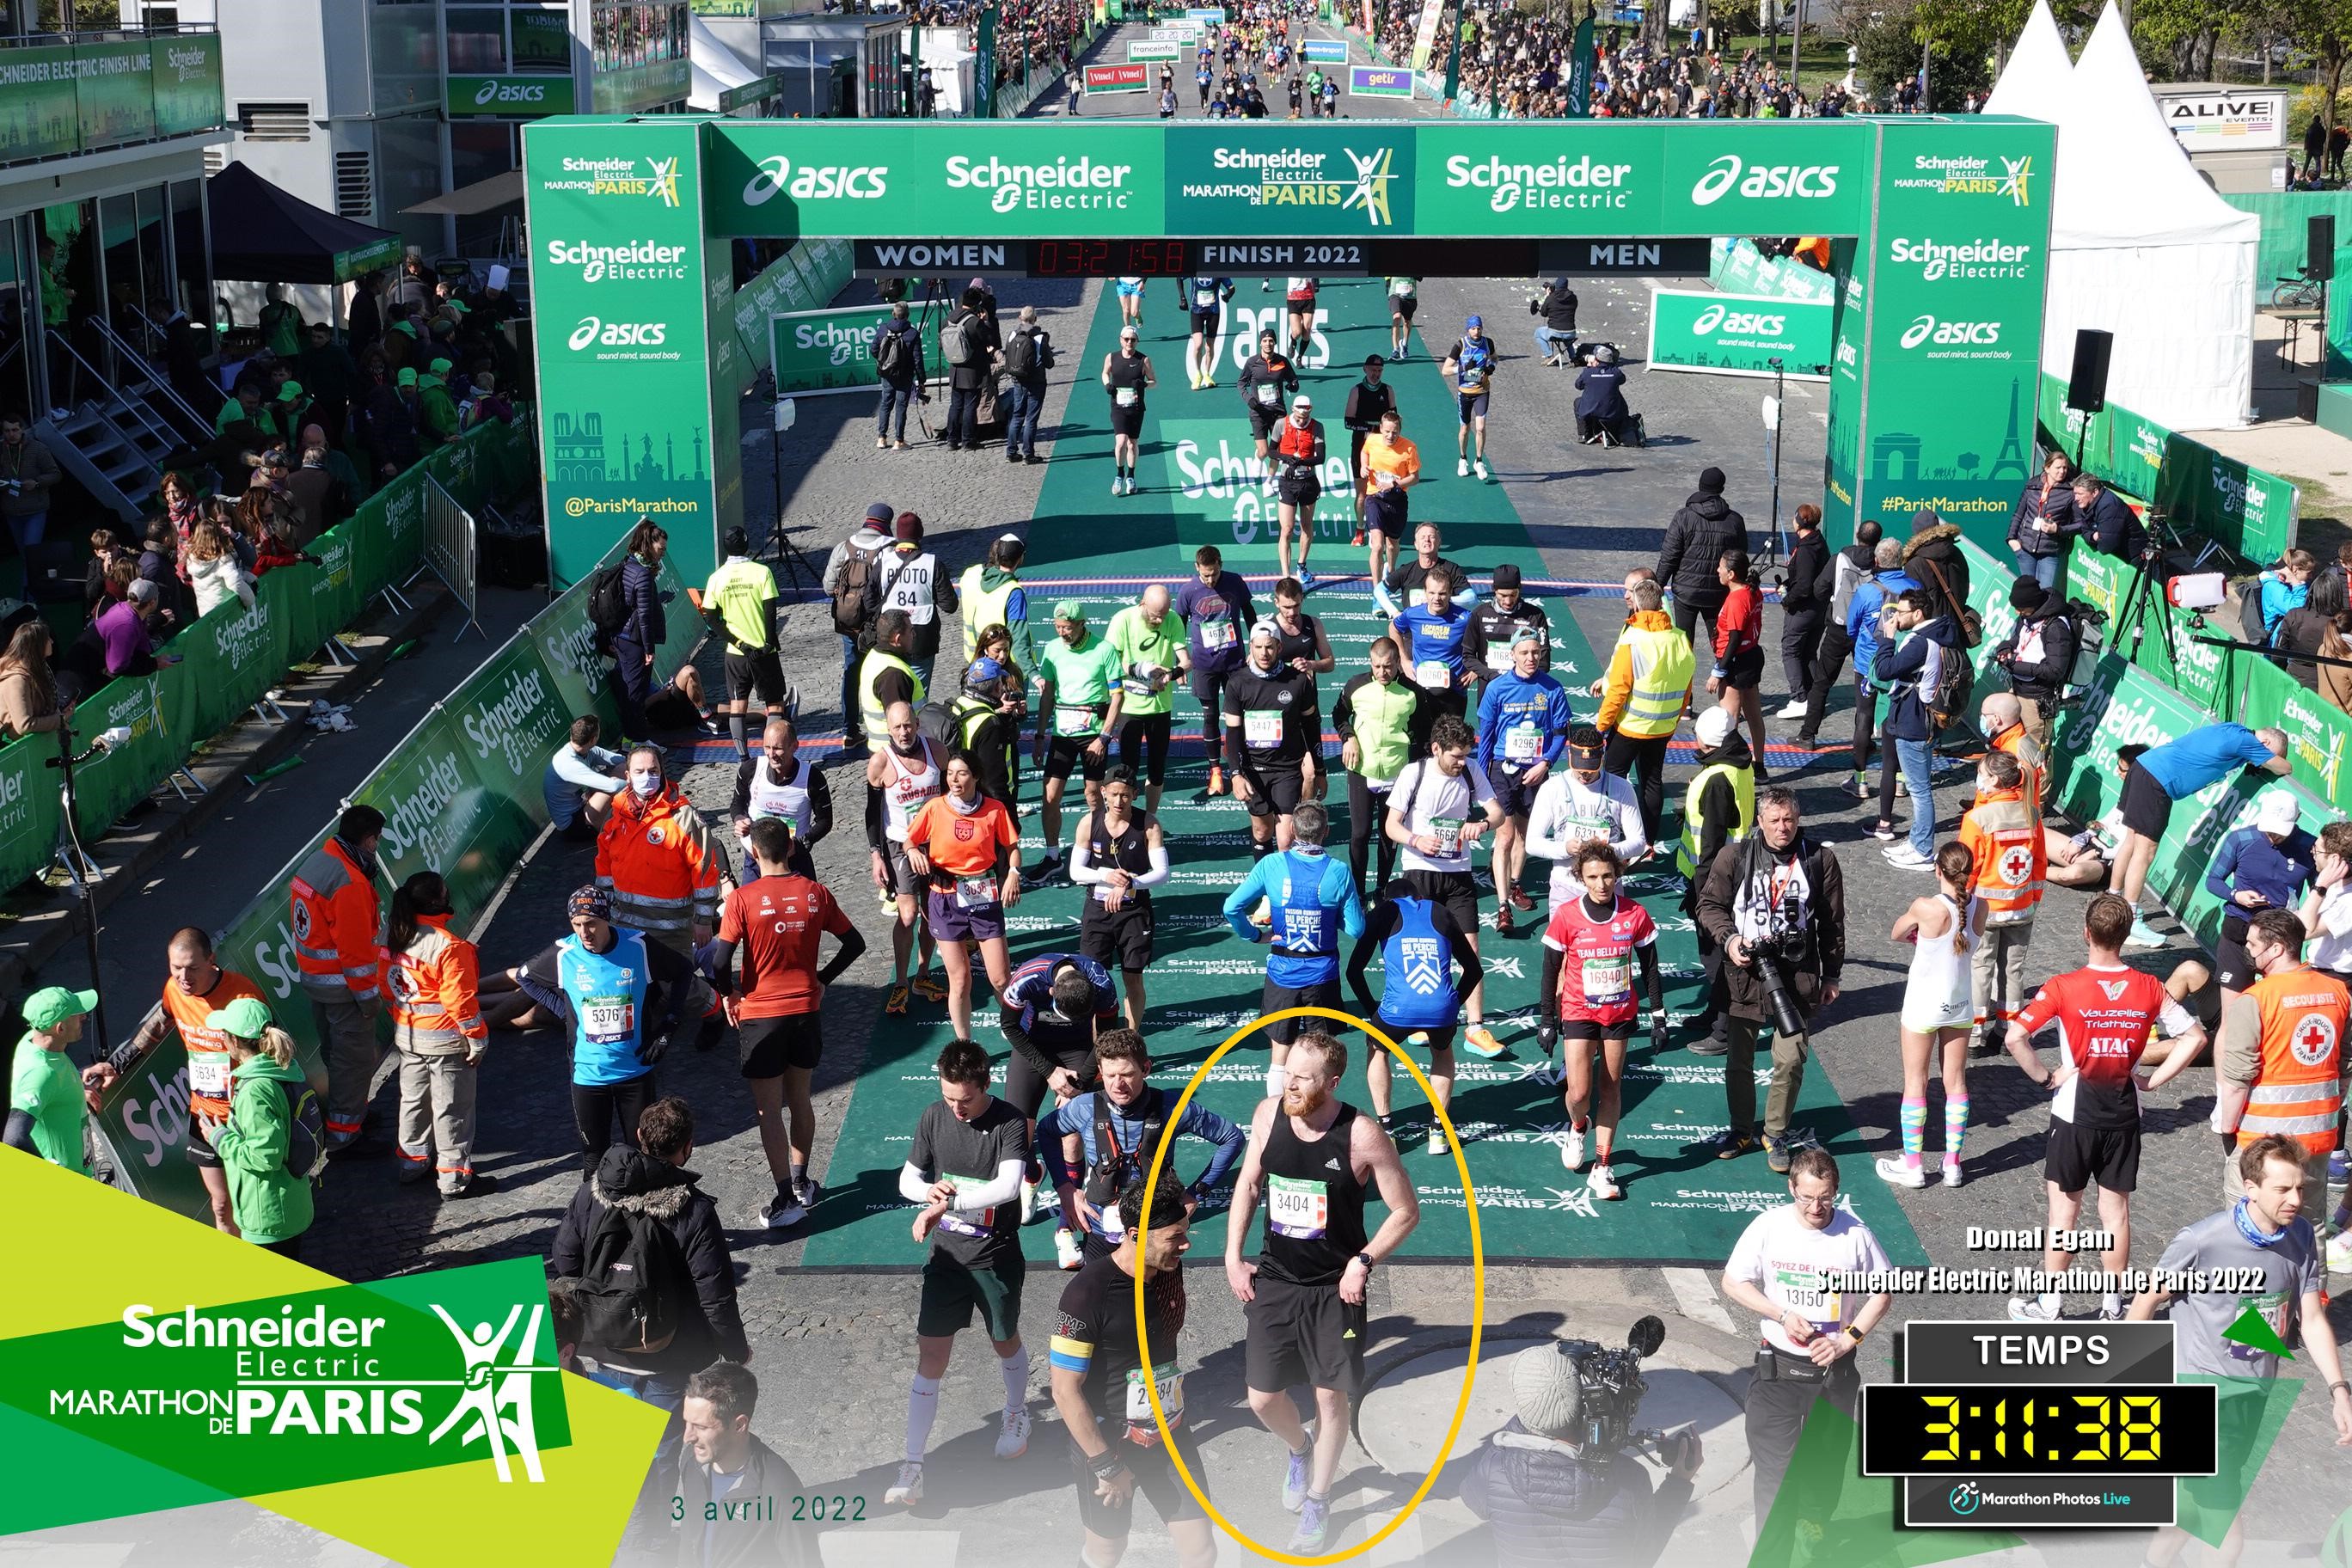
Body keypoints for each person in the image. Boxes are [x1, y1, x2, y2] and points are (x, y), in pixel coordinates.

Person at [1223, 1032, 1419, 1553]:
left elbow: (1406, 1211)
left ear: (1332, 1083)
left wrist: (1363, 1262)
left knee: (1331, 1399)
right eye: (1288, 1072)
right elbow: (1248, 1184)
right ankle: (1299, 1448)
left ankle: (1317, 1499)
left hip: (1336, 1290)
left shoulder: (1361, 1135)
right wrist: (1232, 1256)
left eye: (1303, 1078)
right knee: (1262, 1398)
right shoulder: (1268, 1114)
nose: (1291, 1084)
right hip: (1276, 1279)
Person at [2127, 1137, 2352, 1568]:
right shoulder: (2202, 1240)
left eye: (2300, 1189)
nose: (2296, 1199)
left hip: (2253, 1392)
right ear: (2251, 1188)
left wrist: (2339, 1390)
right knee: (2227, 1541)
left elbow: (2312, 1318)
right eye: (2282, 1189)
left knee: (2190, 1509)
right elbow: (2145, 1301)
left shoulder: (2301, 1235)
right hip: (2199, 1396)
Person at [2003, 892, 2208, 1321]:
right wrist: (2152, 1081)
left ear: (2086, 933)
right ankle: (2113, 1306)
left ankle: (2051, 1303)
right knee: (2115, 1213)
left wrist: (2046, 1076)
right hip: (2124, 1113)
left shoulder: (2062, 987)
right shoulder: (2150, 988)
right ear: (2126, 934)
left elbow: (2014, 1038)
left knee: (2064, 1212)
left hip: (2073, 1114)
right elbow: (2195, 1037)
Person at [552, 1096, 750, 1456]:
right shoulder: (695, 1209)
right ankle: (659, 1512)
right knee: (662, 1450)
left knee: (618, 1446)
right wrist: (735, 1349)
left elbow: (565, 1260)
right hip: (670, 1353)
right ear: (687, 1147)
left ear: (640, 1134)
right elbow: (714, 1292)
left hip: (606, 1340)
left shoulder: (592, 1192)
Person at [886, 1041, 1036, 1508]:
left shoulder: (1010, 1121)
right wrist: (931, 1189)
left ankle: (1017, 1412)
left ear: (985, 1085)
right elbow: (907, 1180)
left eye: (965, 1099)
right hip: (947, 1260)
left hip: (995, 1256)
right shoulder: (934, 1116)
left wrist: (949, 1204)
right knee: (930, 1356)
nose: (957, 1108)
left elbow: (1007, 1186)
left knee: (1003, 1339)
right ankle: (912, 1465)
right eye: (949, 1097)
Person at [1048, 1176, 1217, 1568]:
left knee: (1201, 1549)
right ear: (1136, 1234)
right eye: (1174, 1237)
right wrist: (1106, 1463)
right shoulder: (1086, 1294)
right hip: (1108, 1441)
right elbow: (1064, 1391)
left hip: (1168, 1431)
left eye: (1185, 1234)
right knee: (1107, 1552)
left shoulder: (1168, 1268)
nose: (1185, 1245)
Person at [1719, 1149, 1893, 1528]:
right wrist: (1779, 1314)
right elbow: (1733, 1282)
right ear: (1791, 1188)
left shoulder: (1856, 1235)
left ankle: (1815, 1535)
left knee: (1823, 1470)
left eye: (1826, 1197)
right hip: (1777, 1371)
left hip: (1834, 1374)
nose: (1816, 1207)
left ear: (1837, 1191)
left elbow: (1883, 1291)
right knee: (1773, 1477)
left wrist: (1847, 1340)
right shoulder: (1769, 1226)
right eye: (1807, 1197)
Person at [709, 818, 866, 1229]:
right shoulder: (815, 893)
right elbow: (855, 944)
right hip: (805, 1011)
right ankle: (801, 1183)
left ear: (753, 853)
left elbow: (721, 961)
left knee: (767, 1111)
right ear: (792, 849)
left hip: (761, 1017)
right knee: (800, 1099)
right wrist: (822, 980)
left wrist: (729, 994)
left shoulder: (743, 899)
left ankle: (784, 1198)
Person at [1696, 788, 1846, 1172]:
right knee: (1739, 1059)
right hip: (1745, 973)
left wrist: (1831, 974)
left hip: (1797, 974)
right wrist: (1730, 940)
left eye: (1789, 820)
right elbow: (1709, 905)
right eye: (1775, 820)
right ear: (1759, 821)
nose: (1783, 828)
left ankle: (1775, 1133)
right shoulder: (1736, 856)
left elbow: (1831, 923)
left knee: (1792, 1056)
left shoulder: (1819, 859)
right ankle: (1741, 1128)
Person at [1461, 1340, 1702, 1568]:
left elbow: (1473, 1499)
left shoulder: (1493, 1468)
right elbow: (1644, 1555)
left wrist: (1528, 1420)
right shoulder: (1630, 1478)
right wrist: (1678, 1483)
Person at [507, 886, 699, 1170]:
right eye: (577, 925)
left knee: (643, 1157)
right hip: (588, 1075)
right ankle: (598, 1214)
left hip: (635, 1071)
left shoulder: (639, 946)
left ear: (606, 919)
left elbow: (683, 971)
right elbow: (525, 977)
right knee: (594, 1160)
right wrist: (564, 1013)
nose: (585, 933)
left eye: (591, 923)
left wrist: (669, 1025)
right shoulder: (565, 953)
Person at [1041, 1031, 1244, 1263]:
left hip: (1158, 1227)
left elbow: (1233, 1138)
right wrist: (1065, 1188)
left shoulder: (1172, 1108)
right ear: (1100, 1071)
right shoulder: (1084, 1107)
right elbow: (1046, 1132)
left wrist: (1196, 1193)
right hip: (1099, 1227)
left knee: (1158, 1298)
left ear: (1146, 1069)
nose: (1118, 1085)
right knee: (1100, 1295)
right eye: (1110, 1075)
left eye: (1127, 1074)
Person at [1539, 843, 1665, 1197]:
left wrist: (1659, 1016)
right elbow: (1550, 970)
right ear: (1581, 877)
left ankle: (1603, 1167)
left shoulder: (1634, 914)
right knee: (1578, 1092)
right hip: (1579, 1011)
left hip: (1619, 1012)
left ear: (1617, 875)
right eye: (1593, 876)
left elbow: (1651, 967)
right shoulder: (1567, 916)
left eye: (1607, 875)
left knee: (1610, 1088)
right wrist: (1547, 1018)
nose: (1601, 884)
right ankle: (1578, 1126)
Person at [2211, 907, 2350, 1225]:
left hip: (2261, 1142)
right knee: (2310, 1229)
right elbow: (2344, 1066)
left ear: (2275, 949)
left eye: (2252, 944)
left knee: (2244, 1231)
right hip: (2317, 1138)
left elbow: (2236, 1081)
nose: (2246, 950)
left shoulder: (2256, 1000)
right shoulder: (2338, 992)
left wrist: (2227, 1130)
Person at [1223, 800, 1367, 1094]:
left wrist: (1254, 935)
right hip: (1322, 975)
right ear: (1326, 832)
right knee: (1320, 1059)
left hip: (1282, 973)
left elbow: (1231, 907)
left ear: (1291, 829)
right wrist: (1330, 917)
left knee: (1279, 1054)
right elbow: (1356, 929)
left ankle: (1276, 1121)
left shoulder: (1271, 864)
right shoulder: (1338, 871)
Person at [2113, 725, 2290, 949]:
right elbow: (2284, 767)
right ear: (2265, 745)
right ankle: (2130, 922)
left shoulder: (2233, 729)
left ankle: (2113, 901)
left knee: (2131, 840)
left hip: (2144, 767)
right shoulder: (2247, 742)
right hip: (2158, 781)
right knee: (2145, 851)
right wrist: (2269, 761)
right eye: (2264, 755)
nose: (2259, 761)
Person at [1873, 842, 1985, 1191]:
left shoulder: (1926, 908)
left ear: (1939, 870)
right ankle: (1953, 1165)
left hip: (1923, 1007)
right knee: (1956, 1082)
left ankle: (1913, 1165)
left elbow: (1896, 932)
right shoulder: (1981, 907)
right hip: (1961, 1006)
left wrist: (1918, 936)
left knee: (1915, 1083)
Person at [291, 805, 389, 1157]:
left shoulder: (320, 861)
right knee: (354, 1060)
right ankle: (345, 1135)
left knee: (336, 1055)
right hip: (344, 991)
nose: (377, 846)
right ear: (367, 839)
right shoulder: (350, 884)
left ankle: (350, 1116)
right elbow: (355, 955)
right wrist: (369, 1000)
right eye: (377, 840)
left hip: (317, 983)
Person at [384, 872, 490, 1200]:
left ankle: (412, 1161)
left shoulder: (396, 936)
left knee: (413, 1101)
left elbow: (384, 984)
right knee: (452, 1108)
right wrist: (478, 1038)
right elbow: (460, 1002)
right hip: (445, 1042)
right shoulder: (448, 946)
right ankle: (453, 1177)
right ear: (437, 902)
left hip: (408, 1038)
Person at [904, 751, 1022, 1045]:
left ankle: (1018, 1033)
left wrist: (1014, 873)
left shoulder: (994, 809)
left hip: (983, 897)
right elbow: (910, 839)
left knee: (1000, 978)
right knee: (960, 980)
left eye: (962, 774)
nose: (954, 780)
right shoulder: (934, 808)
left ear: (976, 777)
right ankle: (964, 1042)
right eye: (950, 774)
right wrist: (913, 851)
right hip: (945, 898)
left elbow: (1012, 847)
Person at [195, 1000, 315, 1258]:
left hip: (268, 1215)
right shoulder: (283, 1070)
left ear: (234, 1042)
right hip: (289, 1205)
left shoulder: (255, 1091)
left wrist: (220, 1139)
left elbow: (265, 1156)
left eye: (224, 1035)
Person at [1475, 627, 1572, 931]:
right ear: (1513, 655)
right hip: (1503, 770)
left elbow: (1560, 735)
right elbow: (1486, 737)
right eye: (1525, 653)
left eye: (1536, 652)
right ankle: (1503, 906)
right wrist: (1479, 779)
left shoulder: (1552, 688)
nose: (1531, 658)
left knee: (1525, 837)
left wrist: (1545, 764)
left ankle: (1515, 884)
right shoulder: (1497, 689)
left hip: (1535, 772)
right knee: (1503, 837)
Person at [672, 1362, 814, 1568]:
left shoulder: (778, 1488)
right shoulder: (692, 1460)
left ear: (739, 1425)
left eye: (701, 1427)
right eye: (687, 1423)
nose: (688, 1437)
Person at [597, 744, 725, 960]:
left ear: (662, 773)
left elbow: (703, 870)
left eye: (653, 771)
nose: (647, 776)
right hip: (625, 927)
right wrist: (602, 914)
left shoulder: (683, 818)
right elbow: (604, 868)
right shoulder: (615, 816)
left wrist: (703, 921)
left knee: (676, 990)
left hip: (672, 933)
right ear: (628, 776)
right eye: (640, 771)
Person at [1594, 576, 1693, 843]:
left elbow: (1617, 691)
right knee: (1652, 782)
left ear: (1636, 606)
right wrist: (1671, 721)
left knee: (1612, 781)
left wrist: (1601, 726)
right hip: (1662, 728)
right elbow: (1686, 689)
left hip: (1629, 726)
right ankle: (1648, 841)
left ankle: (1611, 836)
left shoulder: (1634, 639)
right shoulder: (1680, 639)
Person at [1071, 767, 1168, 1033]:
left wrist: (1128, 883)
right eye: (1113, 794)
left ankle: (1132, 1037)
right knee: (1091, 979)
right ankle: (1096, 1045)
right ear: (1103, 792)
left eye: (1125, 795)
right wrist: (1106, 875)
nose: (1118, 802)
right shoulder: (1088, 822)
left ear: (1135, 794)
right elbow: (1075, 872)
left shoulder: (1149, 824)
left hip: (1134, 911)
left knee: (1133, 979)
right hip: (1097, 910)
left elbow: (1162, 873)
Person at [1869, 589, 1961, 869]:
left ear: (1918, 614)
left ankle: (1922, 850)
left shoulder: (1921, 643)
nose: (1895, 617)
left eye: (1901, 612)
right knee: (1917, 787)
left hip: (1915, 724)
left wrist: (1887, 639)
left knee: (1920, 790)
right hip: (1912, 719)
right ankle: (1916, 841)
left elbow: (1885, 670)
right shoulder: (1929, 637)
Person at [1036, 602, 1128, 873]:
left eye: (1067, 627)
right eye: (1058, 627)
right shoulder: (1052, 649)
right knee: (1050, 795)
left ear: (1081, 624)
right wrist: (1040, 735)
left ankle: (1099, 850)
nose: (1062, 632)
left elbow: (1117, 696)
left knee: (1092, 794)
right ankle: (1053, 856)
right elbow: (1048, 695)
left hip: (1093, 734)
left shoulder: (1103, 649)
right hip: (1063, 733)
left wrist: (1105, 736)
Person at [867, 701, 946, 1016]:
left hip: (935, 842)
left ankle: (923, 976)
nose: (904, 732)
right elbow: (872, 814)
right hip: (900, 844)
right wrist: (876, 855)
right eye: (897, 727)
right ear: (888, 728)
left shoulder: (937, 751)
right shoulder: (880, 763)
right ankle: (901, 980)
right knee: (909, 914)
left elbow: (948, 795)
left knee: (932, 912)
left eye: (908, 725)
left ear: (917, 723)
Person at [2206, 792, 2317, 1010]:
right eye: (2269, 828)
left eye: (2280, 830)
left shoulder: (2310, 847)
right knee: (2234, 1013)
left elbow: (2320, 892)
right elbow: (2213, 880)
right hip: (2239, 930)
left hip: (2281, 937)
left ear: (2298, 818)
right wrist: (2235, 895)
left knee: (2278, 1008)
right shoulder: (2240, 839)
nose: (2273, 835)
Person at [1332, 636, 1418, 897]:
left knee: (1387, 834)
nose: (1382, 672)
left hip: (1396, 771)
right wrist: (1348, 737)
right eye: (1377, 666)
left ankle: (1381, 888)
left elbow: (1422, 730)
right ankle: (1358, 892)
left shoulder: (1412, 691)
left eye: (1388, 667)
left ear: (1397, 664)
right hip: (1361, 769)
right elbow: (1338, 714)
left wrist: (1412, 765)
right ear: (1370, 662)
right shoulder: (1355, 685)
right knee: (1359, 833)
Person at [1224, 623, 1320, 856]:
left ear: (1279, 647)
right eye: (1258, 647)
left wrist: (1321, 769)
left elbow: (1311, 725)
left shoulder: (1297, 681)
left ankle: (1282, 889)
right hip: (1253, 768)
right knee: (1261, 831)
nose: (1264, 653)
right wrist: (1236, 774)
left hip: (1287, 768)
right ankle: (1265, 886)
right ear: (1251, 647)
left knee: (1286, 839)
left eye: (1269, 647)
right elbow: (1233, 733)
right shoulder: (1237, 683)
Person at [4, 987, 113, 1177]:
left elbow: (53, 1082)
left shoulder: (32, 1040)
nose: (84, 1017)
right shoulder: (41, 1074)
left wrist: (79, 1079)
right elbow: (13, 1137)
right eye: (76, 1014)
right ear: (60, 1028)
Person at [701, 526, 786, 764]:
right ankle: (773, 755)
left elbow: (711, 618)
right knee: (775, 705)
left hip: (736, 654)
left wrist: (737, 642)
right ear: (747, 545)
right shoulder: (762, 572)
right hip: (764, 651)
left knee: (738, 706)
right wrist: (769, 643)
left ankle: (743, 759)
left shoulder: (716, 578)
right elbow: (771, 611)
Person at [1177, 545, 1256, 798]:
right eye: (1205, 575)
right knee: (1210, 718)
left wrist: (1254, 646)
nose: (1210, 580)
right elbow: (1178, 625)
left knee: (1239, 717)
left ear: (1220, 564)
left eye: (1214, 573)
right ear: (1196, 568)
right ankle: (1215, 772)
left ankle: (1241, 766)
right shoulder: (1188, 590)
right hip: (1204, 665)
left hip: (1235, 663)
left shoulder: (1234, 581)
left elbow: (1249, 612)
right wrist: (1180, 663)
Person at [1793, 519, 1880, 748]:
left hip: (1839, 628)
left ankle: (1808, 735)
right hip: (1869, 632)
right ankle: (1864, 739)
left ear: (1857, 535)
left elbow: (1819, 589)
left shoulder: (1839, 559)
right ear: (1878, 541)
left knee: (1822, 682)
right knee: (1867, 682)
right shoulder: (1881, 563)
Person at [1842, 537, 1916, 799]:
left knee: (1864, 718)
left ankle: (1860, 780)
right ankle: (1899, 780)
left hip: (1868, 663)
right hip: (1903, 664)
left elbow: (1851, 627)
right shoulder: (1915, 588)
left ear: (1876, 561)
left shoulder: (1867, 590)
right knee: (1896, 722)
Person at [1105, 585, 1186, 815]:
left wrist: (1173, 674)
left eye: (1163, 616)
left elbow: (1186, 661)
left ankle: (1150, 818)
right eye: (1154, 616)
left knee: (1157, 767)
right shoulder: (1123, 620)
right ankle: (1127, 817)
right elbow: (1109, 662)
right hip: (1130, 706)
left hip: (1160, 706)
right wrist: (1140, 669)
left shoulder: (1173, 620)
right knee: (1128, 768)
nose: (1159, 621)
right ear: (1142, 604)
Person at [726, 717, 829, 885]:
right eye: (767, 747)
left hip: (794, 860)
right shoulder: (750, 770)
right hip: (756, 860)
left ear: (794, 746)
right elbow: (737, 804)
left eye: (778, 748)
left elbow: (825, 821)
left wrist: (803, 842)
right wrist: (739, 819)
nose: (771, 755)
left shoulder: (812, 778)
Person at [1655, 467, 1747, 647]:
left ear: (1700, 486)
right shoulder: (1735, 520)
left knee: (1683, 645)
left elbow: (1669, 555)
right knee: (1720, 643)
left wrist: (1657, 587)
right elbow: (1740, 556)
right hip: (1718, 592)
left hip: (1686, 592)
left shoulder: (1683, 517)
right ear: (1721, 488)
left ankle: (1684, 676)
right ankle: (1722, 674)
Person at [1392, 563, 1476, 751]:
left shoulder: (1465, 618)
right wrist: (1404, 660)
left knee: (1451, 748)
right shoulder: (1413, 614)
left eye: (1442, 593)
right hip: (1422, 694)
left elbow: (1482, 643)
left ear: (1450, 592)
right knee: (1421, 747)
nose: (1436, 598)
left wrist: (1474, 671)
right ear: (1425, 592)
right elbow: (1394, 628)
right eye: (1432, 593)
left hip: (1453, 693)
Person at [827, 502, 895, 726]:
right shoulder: (889, 548)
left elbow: (828, 587)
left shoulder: (844, 547)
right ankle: (882, 723)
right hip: (876, 624)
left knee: (851, 672)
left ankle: (849, 728)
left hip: (849, 623)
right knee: (882, 670)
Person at [1705, 548, 1771, 777]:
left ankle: (1731, 770)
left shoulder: (1736, 599)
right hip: (1752, 656)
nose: (1718, 570)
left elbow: (1733, 639)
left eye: (1721, 567)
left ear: (1731, 574)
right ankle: (1759, 766)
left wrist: (1718, 670)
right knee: (1754, 714)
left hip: (1735, 661)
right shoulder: (1753, 591)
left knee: (1728, 720)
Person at [1989, 579, 2076, 752]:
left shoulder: (2056, 628)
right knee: (2011, 745)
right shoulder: (2027, 616)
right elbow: (2017, 640)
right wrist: (2005, 647)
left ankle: (2041, 781)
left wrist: (2016, 666)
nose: (2017, 612)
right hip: (2018, 690)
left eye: (2021, 608)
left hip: (2037, 700)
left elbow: (2055, 671)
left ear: (2034, 604)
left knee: (2035, 754)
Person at [609, 519, 671, 743]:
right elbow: (644, 616)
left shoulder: (629, 563)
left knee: (631, 692)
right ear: (649, 545)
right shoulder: (643, 574)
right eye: (661, 549)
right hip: (634, 640)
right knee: (635, 693)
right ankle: (638, 740)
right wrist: (649, 649)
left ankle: (632, 739)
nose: (663, 553)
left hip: (622, 637)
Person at [1773, 505, 1829, 720]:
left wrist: (1788, 599)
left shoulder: (1806, 549)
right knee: (1808, 653)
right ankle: (1816, 699)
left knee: (1790, 650)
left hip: (1803, 610)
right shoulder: (1817, 542)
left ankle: (1799, 699)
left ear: (1800, 521)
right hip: (1819, 608)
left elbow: (1805, 584)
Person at [1357, 407, 1419, 587]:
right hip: (1374, 497)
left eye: (1395, 432)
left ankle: (1391, 573)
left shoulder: (1409, 448)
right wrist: (1363, 466)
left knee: (1392, 545)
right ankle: (1377, 590)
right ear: (1381, 429)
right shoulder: (1372, 440)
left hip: (1397, 499)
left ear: (1399, 431)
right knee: (1377, 546)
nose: (1390, 436)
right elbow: (1364, 451)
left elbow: (1415, 478)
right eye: (1387, 432)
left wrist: (1395, 484)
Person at [1271, 395, 1327, 586]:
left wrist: (1302, 461)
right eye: (1300, 415)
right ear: (1294, 411)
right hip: (1287, 483)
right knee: (1286, 529)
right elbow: (1271, 451)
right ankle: (1286, 576)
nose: (1303, 419)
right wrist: (1287, 459)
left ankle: (1301, 565)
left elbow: (1320, 457)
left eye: (1307, 415)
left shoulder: (1317, 427)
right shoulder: (1281, 424)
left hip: (1308, 482)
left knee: (1306, 527)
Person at [1341, 356, 1395, 548]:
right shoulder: (1356, 391)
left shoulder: (1387, 390)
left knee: (1382, 492)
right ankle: (1360, 528)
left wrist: (1385, 432)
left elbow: (1394, 418)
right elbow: (1348, 421)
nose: (1375, 374)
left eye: (1379, 371)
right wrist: (1372, 428)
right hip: (1361, 448)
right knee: (1363, 494)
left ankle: (1379, 530)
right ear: (1365, 369)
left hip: (1383, 450)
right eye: (1372, 370)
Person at [857, 609, 926, 756]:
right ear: (898, 639)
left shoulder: (875, 655)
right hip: (896, 756)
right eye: (911, 631)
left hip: (883, 750)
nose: (914, 635)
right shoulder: (894, 675)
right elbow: (901, 724)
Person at [1439, 315, 1498, 481]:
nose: (1476, 331)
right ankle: (1463, 458)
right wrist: (1463, 368)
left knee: (1480, 427)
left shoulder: (1488, 343)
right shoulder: (1460, 345)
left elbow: (1495, 358)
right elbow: (1445, 370)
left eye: (1479, 328)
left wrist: (1492, 367)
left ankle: (1479, 461)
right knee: (1465, 428)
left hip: (1482, 391)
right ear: (1468, 329)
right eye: (1473, 328)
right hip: (1464, 393)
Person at [2006, 450, 2076, 591]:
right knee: (2029, 594)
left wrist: (2058, 530)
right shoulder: (2032, 485)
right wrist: (2011, 540)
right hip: (2026, 549)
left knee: (2046, 592)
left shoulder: (2070, 492)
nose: (2062, 471)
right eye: (2058, 468)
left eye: (2065, 468)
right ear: (2047, 468)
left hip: (2050, 551)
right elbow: (2018, 515)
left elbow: (2079, 524)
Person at [1239, 328, 1300, 487]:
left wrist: (1293, 386)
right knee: (1264, 451)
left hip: (1278, 412)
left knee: (1277, 450)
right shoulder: (1252, 362)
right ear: (1260, 343)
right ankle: (1258, 457)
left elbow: (1293, 380)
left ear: (1275, 343)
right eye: (1265, 341)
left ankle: (1269, 481)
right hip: (1258, 412)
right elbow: (1241, 384)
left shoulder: (1282, 361)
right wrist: (1249, 399)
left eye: (1271, 341)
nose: (1268, 344)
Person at [1100, 324, 1155, 496]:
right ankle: (1119, 474)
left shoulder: (1143, 360)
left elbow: (1154, 381)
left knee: (1132, 444)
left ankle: (1131, 477)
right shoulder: (1112, 357)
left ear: (1137, 341)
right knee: (1121, 442)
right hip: (1118, 406)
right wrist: (1107, 385)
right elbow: (1104, 373)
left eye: (1133, 339)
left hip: (1136, 408)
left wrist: (1144, 384)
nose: (1129, 342)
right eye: (1126, 339)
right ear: (1121, 340)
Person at [943, 285, 999, 452]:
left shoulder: (948, 318)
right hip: (973, 371)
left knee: (955, 405)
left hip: (955, 369)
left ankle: (951, 440)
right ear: (975, 305)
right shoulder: (975, 322)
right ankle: (968, 440)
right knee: (969, 406)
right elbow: (991, 340)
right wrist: (986, 321)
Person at [0, 413, 61, 555]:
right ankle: (37, 575)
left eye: (14, 430)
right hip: (11, 511)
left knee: (30, 553)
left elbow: (55, 474)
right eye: (7, 431)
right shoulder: (1, 451)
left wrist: (37, 483)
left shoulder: (38, 449)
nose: (11, 434)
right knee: (25, 554)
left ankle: (32, 577)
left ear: (22, 429)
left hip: (35, 510)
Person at [1001, 305, 1052, 465]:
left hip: (1018, 382)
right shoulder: (1039, 337)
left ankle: (1011, 451)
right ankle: (1028, 454)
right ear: (1035, 319)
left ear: (1019, 318)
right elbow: (1049, 363)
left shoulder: (1012, 335)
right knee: (1031, 419)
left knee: (1016, 416)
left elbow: (1008, 357)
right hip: (1036, 383)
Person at [2072, 472, 2146, 563]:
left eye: (2080, 494)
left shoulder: (2109, 506)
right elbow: (2081, 526)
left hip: (2133, 560)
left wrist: (2090, 535)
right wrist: (2093, 536)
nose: (2076, 498)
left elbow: (2106, 546)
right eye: (2075, 494)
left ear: (2095, 492)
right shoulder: (2084, 504)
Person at [1182, 273, 1234, 390]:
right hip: (1196, 311)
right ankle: (1198, 374)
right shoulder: (1194, 270)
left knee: (1210, 346)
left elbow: (1231, 288)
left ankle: (1207, 374)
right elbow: (1179, 278)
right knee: (1198, 344)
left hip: (1213, 312)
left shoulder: (1217, 271)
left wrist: (1228, 296)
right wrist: (1182, 298)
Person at [1573, 345, 1632, 444]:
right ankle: (1612, 434)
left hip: (1590, 410)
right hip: (1611, 412)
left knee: (1578, 402)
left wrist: (1590, 368)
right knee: (1619, 402)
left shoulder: (1588, 372)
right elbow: (1622, 380)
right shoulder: (1616, 373)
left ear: (1596, 359)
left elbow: (1578, 385)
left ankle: (1583, 434)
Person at [1530, 277, 1578, 364]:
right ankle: (1573, 357)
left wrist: (1548, 296)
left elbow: (1544, 313)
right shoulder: (1573, 298)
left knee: (1538, 333)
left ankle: (1549, 356)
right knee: (1567, 338)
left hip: (1555, 332)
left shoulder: (1551, 298)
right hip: (1570, 332)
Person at [1385, 275, 1418, 361]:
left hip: (1410, 295)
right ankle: (1396, 349)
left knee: (1407, 321)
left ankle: (1404, 344)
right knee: (1397, 317)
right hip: (1395, 293)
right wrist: (1387, 279)